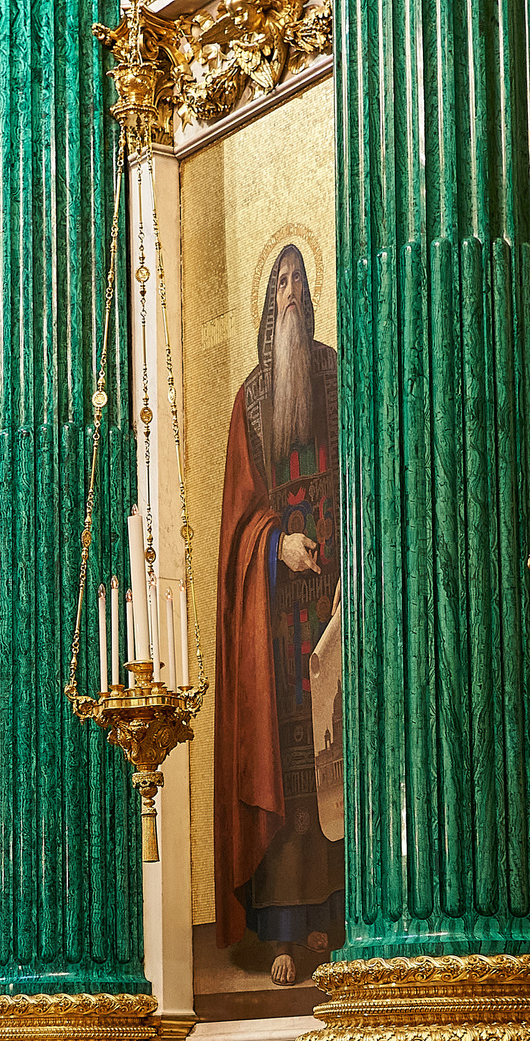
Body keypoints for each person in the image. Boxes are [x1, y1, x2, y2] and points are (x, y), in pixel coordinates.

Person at [214, 245, 345, 983]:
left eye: (299, 281)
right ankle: (288, 928)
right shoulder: (251, 399)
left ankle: (335, 916)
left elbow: (361, 467)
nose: (291, 293)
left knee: (336, 749)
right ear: (268, 302)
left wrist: (338, 559)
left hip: (332, 597)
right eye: (280, 282)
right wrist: (276, 546)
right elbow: (238, 518)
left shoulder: (332, 373)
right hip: (277, 605)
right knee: (289, 759)